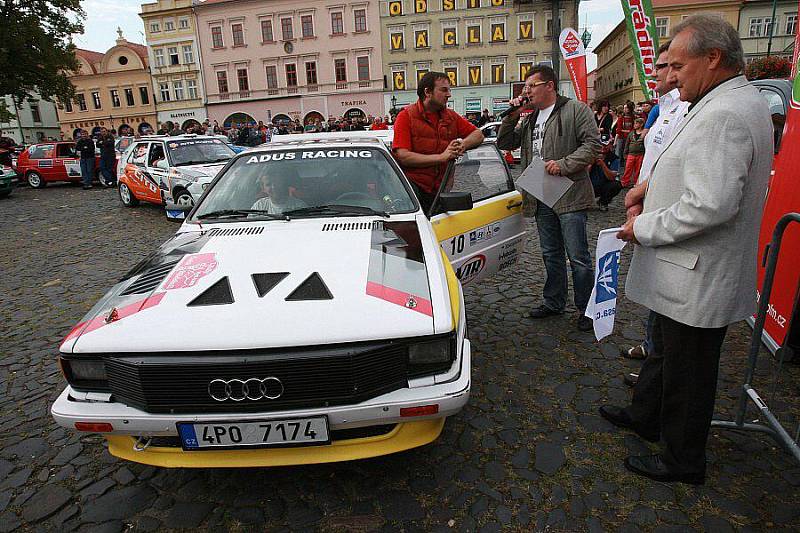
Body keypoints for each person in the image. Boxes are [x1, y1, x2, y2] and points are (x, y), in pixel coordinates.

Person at [602, 14, 773, 484]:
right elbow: (693, 167)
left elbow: (710, 204)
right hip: (690, 270)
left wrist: (644, 228)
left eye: (678, 65)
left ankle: (682, 460)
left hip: (699, 271)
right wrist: (648, 188)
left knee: (689, 373)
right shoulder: (724, 99)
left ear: (713, 58)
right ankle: (646, 417)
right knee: (666, 355)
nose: (670, 76)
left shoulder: (724, 113)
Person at [497, 65, 600, 332]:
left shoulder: (575, 110)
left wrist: (565, 164)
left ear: (549, 86)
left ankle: (586, 308)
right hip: (541, 192)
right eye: (526, 87)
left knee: (578, 255)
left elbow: (592, 145)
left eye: (531, 86)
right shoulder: (530, 118)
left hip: (569, 191)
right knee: (550, 253)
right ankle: (554, 301)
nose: (526, 91)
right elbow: (505, 142)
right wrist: (513, 115)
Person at [620, 41, 690, 372]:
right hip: (647, 202)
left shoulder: (686, 109)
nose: (656, 72)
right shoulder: (662, 107)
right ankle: (652, 351)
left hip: (664, 209)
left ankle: (656, 362)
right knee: (652, 285)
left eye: (664, 66)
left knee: (663, 286)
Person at [392, 71, 484, 212]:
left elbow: (478, 135)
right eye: (444, 90)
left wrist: (462, 145)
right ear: (428, 92)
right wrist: (442, 157)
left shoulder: (450, 116)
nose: (449, 94)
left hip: (442, 190)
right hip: (413, 192)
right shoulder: (406, 117)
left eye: (449, 90)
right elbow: (403, 156)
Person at [589, 134, 622, 211]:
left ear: (610, 145)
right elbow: (584, 173)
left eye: (605, 145)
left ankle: (603, 202)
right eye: (601, 145)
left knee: (616, 185)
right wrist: (591, 163)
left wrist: (603, 165)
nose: (603, 147)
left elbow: (612, 177)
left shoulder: (614, 158)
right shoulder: (591, 154)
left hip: (603, 184)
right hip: (588, 185)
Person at [620, 118, 646, 187]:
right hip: (631, 154)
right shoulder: (631, 133)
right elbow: (627, 143)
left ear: (641, 124)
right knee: (628, 168)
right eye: (634, 123)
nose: (634, 125)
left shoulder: (644, 133)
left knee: (638, 169)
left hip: (640, 154)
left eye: (636, 123)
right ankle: (625, 182)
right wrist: (625, 153)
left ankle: (636, 182)